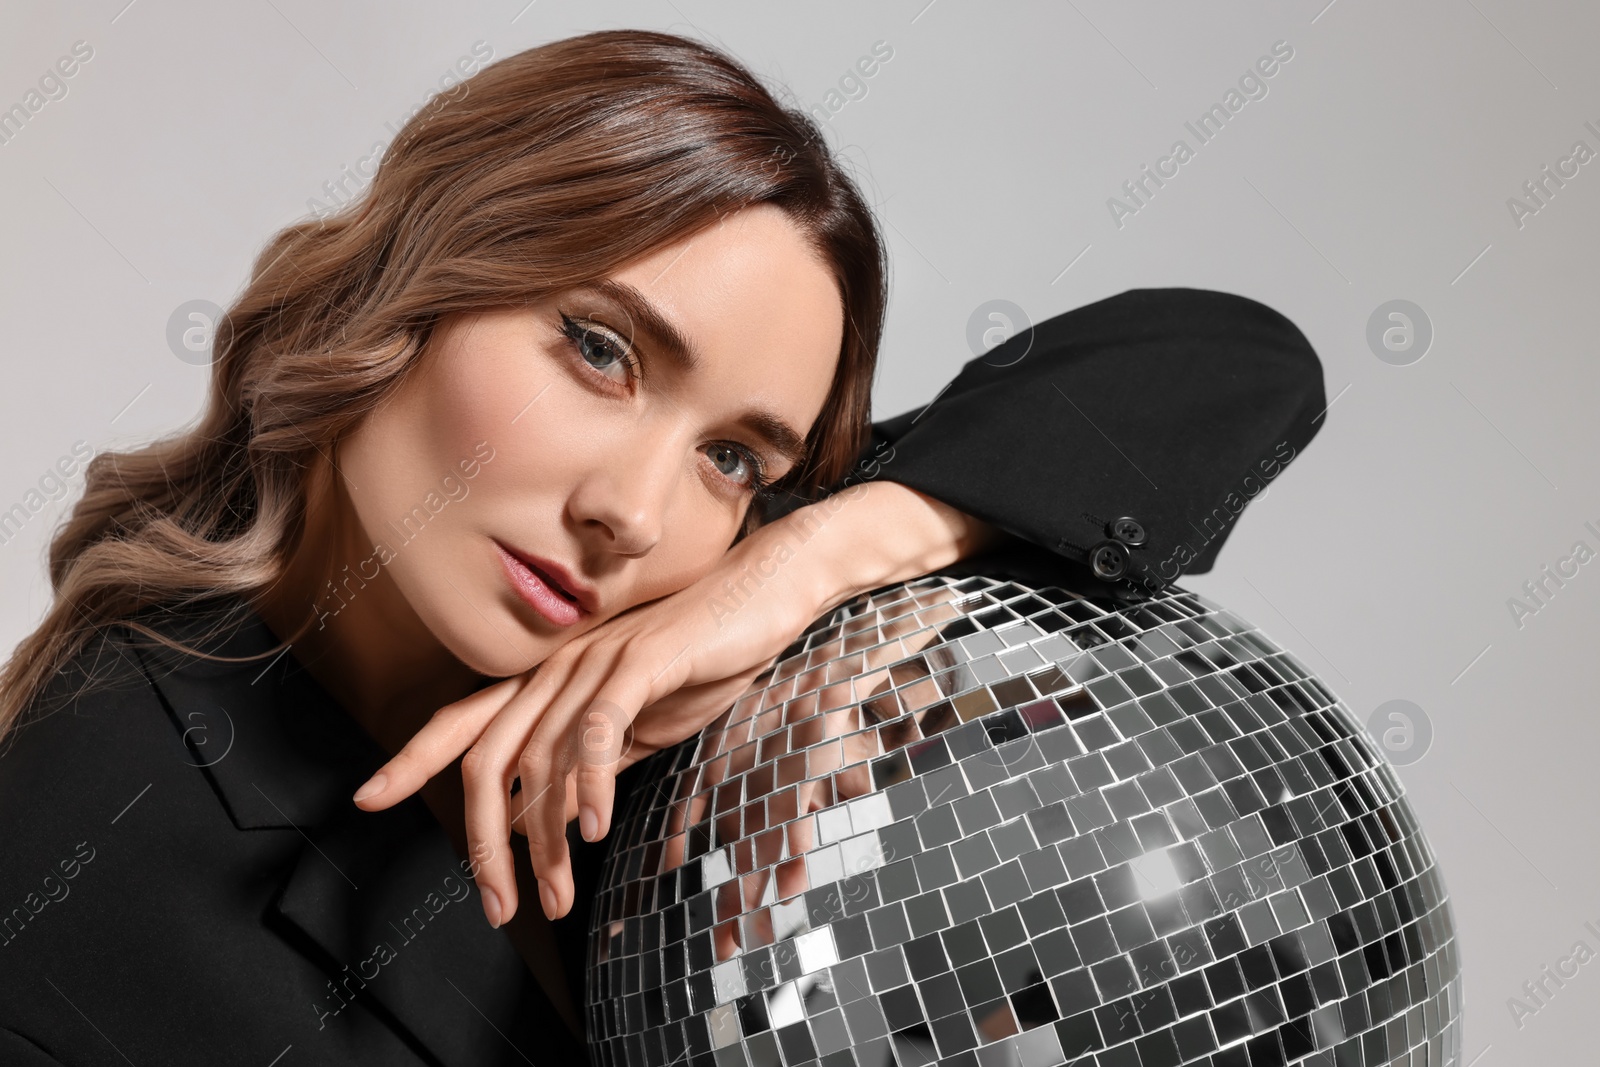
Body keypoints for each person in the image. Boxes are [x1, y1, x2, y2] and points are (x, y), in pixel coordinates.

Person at [0, 27, 1324, 1067]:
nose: (633, 516)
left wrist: (810, 559)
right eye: (598, 349)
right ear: (406, 287)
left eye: (735, 455)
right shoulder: (83, 847)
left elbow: (1230, 362)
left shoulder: (715, 607)